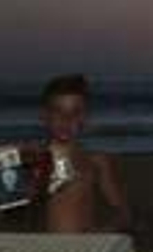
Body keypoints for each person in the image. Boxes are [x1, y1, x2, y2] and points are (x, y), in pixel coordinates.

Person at [30, 74, 131, 234]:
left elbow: (122, 211)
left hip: (85, 250)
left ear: (85, 118)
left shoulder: (97, 161)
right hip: (50, 251)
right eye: (58, 111)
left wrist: (106, 229)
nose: (66, 119)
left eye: (76, 112)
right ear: (44, 116)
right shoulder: (34, 159)